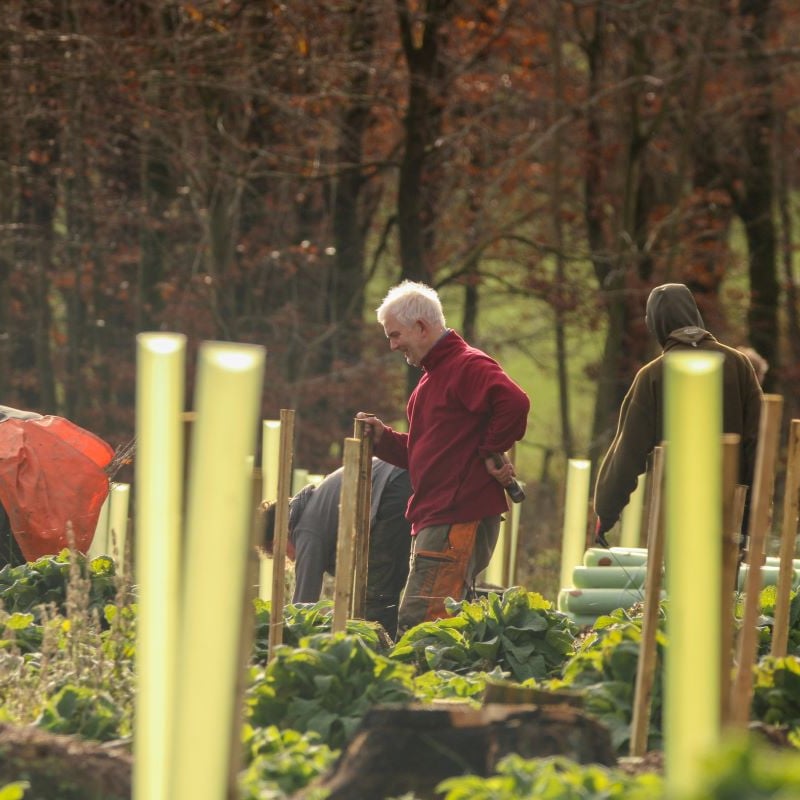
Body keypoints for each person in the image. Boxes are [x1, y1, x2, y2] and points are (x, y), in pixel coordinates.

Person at [357, 280, 530, 635]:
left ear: (421, 327)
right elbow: (427, 453)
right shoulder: (433, 378)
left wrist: (489, 449)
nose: (392, 346)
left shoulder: (465, 365)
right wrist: (383, 440)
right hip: (441, 517)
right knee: (439, 622)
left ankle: (424, 689)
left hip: (455, 517)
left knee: (423, 624)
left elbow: (514, 402)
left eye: (395, 335)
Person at [593, 282, 763, 546]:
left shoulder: (653, 375)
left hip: (679, 511)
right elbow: (758, 440)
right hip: (733, 508)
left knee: (682, 585)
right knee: (733, 586)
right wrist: (754, 511)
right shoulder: (738, 364)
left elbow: (628, 452)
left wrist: (605, 513)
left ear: (657, 325)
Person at [262, 457, 412, 635]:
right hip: (399, 474)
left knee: (377, 593)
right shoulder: (311, 509)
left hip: (392, 485)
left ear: (278, 538)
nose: (291, 559)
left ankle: (383, 653)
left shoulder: (306, 530)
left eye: (283, 554)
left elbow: (303, 605)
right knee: (382, 586)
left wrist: (288, 637)